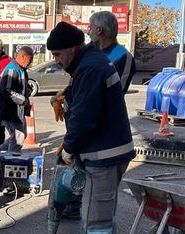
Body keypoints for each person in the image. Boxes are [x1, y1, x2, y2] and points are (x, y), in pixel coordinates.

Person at [46, 22, 135, 234]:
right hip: (107, 151)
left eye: (59, 54)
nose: (56, 60)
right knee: (103, 215)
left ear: (73, 48)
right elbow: (87, 100)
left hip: (103, 155)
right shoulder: (91, 62)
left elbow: (84, 118)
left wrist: (69, 150)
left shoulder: (90, 67)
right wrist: (68, 94)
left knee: (94, 217)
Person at [58, 12, 137, 220]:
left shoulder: (121, 56)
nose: (88, 31)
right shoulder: (91, 55)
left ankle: (79, 207)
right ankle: (77, 203)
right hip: (89, 136)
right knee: (81, 177)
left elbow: (110, 96)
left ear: (99, 30)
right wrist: (67, 95)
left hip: (104, 139)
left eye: (90, 28)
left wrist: (71, 144)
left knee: (98, 220)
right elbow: (83, 92)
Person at [0, 46, 34, 153]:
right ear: (23, 56)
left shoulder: (21, 69)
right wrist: (23, 100)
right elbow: (6, 91)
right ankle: (10, 160)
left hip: (17, 111)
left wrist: (27, 90)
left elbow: (20, 87)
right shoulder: (12, 70)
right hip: (10, 111)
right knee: (18, 136)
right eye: (30, 60)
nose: (30, 63)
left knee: (20, 135)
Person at [88, 10, 136, 93]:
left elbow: (117, 92)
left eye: (90, 28)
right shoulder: (90, 52)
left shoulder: (124, 57)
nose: (88, 33)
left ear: (99, 30)